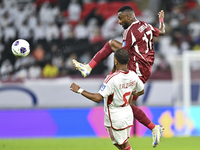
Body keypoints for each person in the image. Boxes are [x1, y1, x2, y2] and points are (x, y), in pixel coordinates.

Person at [72, 6, 165, 147]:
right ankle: (153, 127)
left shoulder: (130, 32)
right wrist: (161, 20)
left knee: (125, 102)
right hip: (146, 68)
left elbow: (123, 57)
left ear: (128, 17)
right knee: (129, 103)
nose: (119, 22)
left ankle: (153, 128)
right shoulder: (145, 25)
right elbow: (162, 31)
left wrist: (113, 74)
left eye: (120, 18)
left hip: (136, 68)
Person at [70, 48, 145, 150]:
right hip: (127, 114)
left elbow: (98, 98)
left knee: (123, 145)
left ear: (115, 61)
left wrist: (80, 90)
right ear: (128, 61)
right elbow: (141, 91)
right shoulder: (133, 75)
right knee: (121, 145)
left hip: (115, 117)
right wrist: (132, 95)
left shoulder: (112, 79)